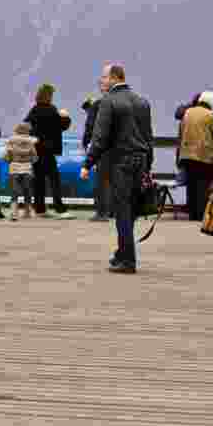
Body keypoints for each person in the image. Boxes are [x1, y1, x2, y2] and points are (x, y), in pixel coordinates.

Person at [82, 64, 153, 274]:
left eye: (103, 77)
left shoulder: (108, 102)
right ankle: (122, 252)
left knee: (122, 211)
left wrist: (88, 163)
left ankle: (127, 260)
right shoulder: (142, 101)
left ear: (114, 78)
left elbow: (100, 137)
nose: (101, 81)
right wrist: (148, 165)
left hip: (120, 162)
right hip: (140, 161)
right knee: (131, 211)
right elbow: (149, 137)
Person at [25, 84, 72, 216]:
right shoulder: (52, 110)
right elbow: (62, 126)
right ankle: (60, 209)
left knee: (38, 180)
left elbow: (26, 126)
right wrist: (65, 117)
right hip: (48, 150)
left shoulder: (34, 110)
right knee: (54, 180)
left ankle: (39, 209)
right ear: (48, 96)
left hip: (36, 149)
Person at [178, 91, 213, 222]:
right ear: (211, 103)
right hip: (203, 156)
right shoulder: (211, 115)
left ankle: (192, 213)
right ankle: (201, 214)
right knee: (203, 185)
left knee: (191, 185)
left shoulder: (187, 112)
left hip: (186, 154)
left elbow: (181, 131)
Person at [84, 72, 113, 221]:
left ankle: (102, 212)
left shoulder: (98, 105)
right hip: (118, 149)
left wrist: (88, 146)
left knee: (101, 182)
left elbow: (91, 128)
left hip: (101, 149)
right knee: (115, 181)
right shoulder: (123, 103)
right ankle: (113, 211)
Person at [3, 122, 38, 221]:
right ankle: (27, 212)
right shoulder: (31, 142)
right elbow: (35, 157)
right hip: (27, 168)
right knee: (27, 190)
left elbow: (6, 156)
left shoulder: (11, 141)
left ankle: (14, 213)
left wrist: (9, 160)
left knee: (14, 191)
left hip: (14, 168)